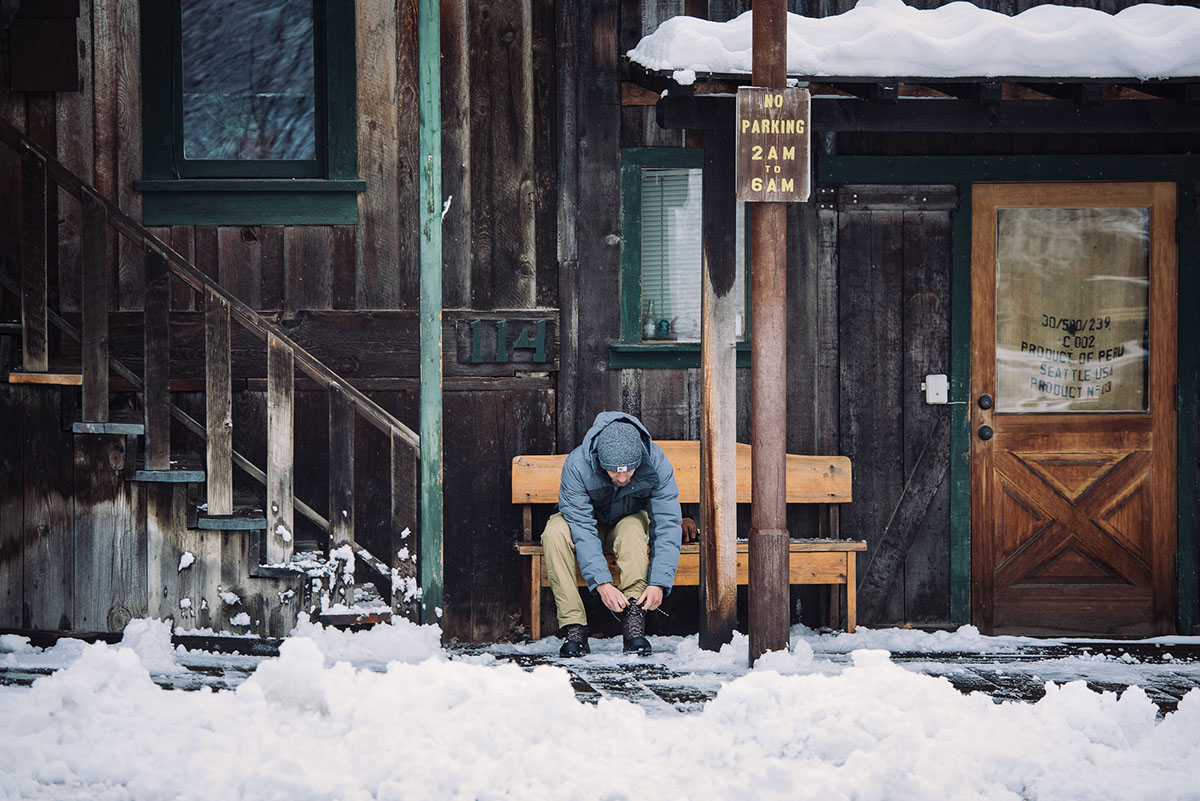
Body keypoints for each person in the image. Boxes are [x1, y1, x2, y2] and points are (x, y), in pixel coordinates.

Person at [541, 411, 695, 657]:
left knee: (633, 528)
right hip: (583, 523)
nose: (622, 477)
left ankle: (634, 624)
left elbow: (666, 523)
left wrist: (659, 583)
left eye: (628, 471)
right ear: (600, 460)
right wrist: (602, 582)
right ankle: (575, 628)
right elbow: (581, 526)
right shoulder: (578, 464)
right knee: (554, 533)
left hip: (627, 518)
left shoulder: (656, 461)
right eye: (614, 471)